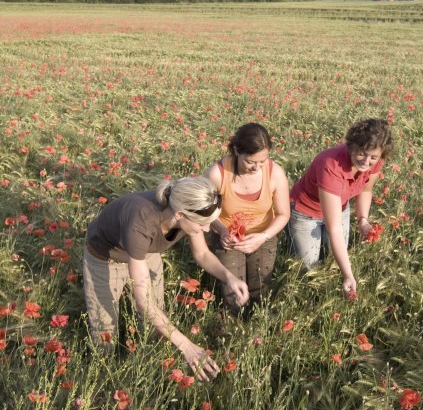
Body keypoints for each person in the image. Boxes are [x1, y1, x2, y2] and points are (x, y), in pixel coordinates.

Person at [84, 176, 249, 381]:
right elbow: (144, 302)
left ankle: (151, 368)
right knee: (104, 326)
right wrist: (186, 346)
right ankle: (103, 380)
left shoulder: (184, 211)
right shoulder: (140, 222)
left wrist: (229, 277)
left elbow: (203, 254)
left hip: (145, 254)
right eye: (203, 224)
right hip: (106, 259)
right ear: (179, 214)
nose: (207, 230)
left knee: (155, 322)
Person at [288, 118, 393, 298]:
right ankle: (310, 299)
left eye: (373, 157)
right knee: (309, 267)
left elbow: (366, 189)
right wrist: (349, 276)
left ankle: (332, 290)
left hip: (340, 206)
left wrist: (363, 220)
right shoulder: (331, 165)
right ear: (352, 146)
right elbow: (334, 228)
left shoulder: (376, 159)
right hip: (306, 212)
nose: (366, 161)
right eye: (361, 153)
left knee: (335, 259)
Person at [205, 123, 290, 314]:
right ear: (237, 151)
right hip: (229, 239)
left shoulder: (274, 173)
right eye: (251, 161)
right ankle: (234, 326)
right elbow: (205, 212)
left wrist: (263, 237)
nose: (257, 167)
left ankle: (257, 325)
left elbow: (284, 214)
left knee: (260, 288)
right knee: (234, 294)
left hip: (263, 236)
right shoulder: (217, 174)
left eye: (263, 161)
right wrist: (222, 230)